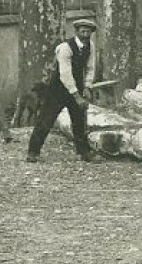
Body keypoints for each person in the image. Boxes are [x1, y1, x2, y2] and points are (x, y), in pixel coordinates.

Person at [26, 19, 99, 163]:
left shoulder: (90, 46)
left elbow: (90, 68)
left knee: (79, 120)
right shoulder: (65, 48)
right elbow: (65, 74)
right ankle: (33, 152)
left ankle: (84, 152)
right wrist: (77, 96)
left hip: (76, 85)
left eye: (88, 32)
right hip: (58, 89)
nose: (85, 35)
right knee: (46, 120)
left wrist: (87, 87)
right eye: (82, 31)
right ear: (76, 32)